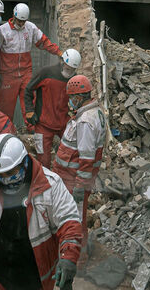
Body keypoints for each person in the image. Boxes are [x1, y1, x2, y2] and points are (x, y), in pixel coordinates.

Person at [0, 134, 83, 290]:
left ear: (24, 162)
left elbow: (69, 222)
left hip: (33, 275)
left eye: (9, 172)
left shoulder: (50, 185)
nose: (4, 178)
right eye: (1, 174)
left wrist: (69, 258)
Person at [52, 75, 106, 233]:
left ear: (77, 98)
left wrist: (79, 188)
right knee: (73, 217)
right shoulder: (95, 112)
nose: (69, 101)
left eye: (71, 97)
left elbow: (87, 157)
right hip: (73, 178)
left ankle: (78, 256)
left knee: (73, 219)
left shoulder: (85, 121)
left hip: (73, 180)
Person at [0, 3, 61, 122]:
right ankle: (5, 132)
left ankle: (31, 130)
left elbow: (44, 42)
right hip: (8, 75)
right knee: (6, 106)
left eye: (23, 21)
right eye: (19, 21)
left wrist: (59, 53)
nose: (21, 24)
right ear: (14, 17)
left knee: (29, 103)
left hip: (26, 73)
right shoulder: (2, 30)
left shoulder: (31, 28)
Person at [23, 49, 80, 166]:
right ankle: (44, 181)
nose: (69, 72)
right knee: (43, 158)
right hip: (43, 124)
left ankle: (65, 179)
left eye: (72, 70)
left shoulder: (74, 80)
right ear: (62, 62)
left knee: (71, 154)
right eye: (68, 68)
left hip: (64, 123)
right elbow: (28, 90)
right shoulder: (45, 73)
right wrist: (29, 111)